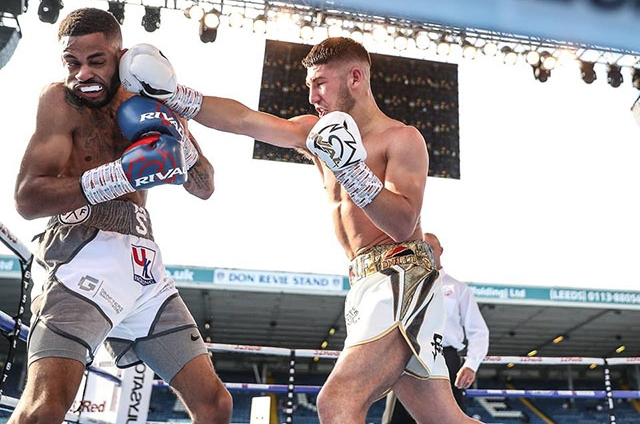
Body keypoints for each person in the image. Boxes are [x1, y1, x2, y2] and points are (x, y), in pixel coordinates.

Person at [120, 37, 482, 423]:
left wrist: (353, 171)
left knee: (337, 402)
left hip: (401, 277)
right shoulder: (316, 134)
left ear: (355, 77)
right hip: (364, 284)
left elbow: (402, 223)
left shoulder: (402, 139)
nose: (312, 96)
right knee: (445, 420)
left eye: (320, 83)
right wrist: (175, 94)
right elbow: (244, 120)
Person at [11, 8, 232, 424]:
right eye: (72, 62)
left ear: (121, 55)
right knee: (44, 409)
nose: (83, 74)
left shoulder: (149, 96)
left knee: (215, 405)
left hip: (143, 262)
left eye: (97, 61)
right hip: (81, 252)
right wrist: (114, 177)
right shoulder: (60, 102)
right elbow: (27, 198)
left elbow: (204, 187)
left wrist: (180, 139)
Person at [382, 232, 490, 422]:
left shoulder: (458, 289)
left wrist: (471, 365)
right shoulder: (402, 285)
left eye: (430, 248)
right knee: (395, 419)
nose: (427, 252)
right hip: (408, 356)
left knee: (449, 420)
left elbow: (478, 331)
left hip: (446, 357)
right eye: (422, 248)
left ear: (441, 250)